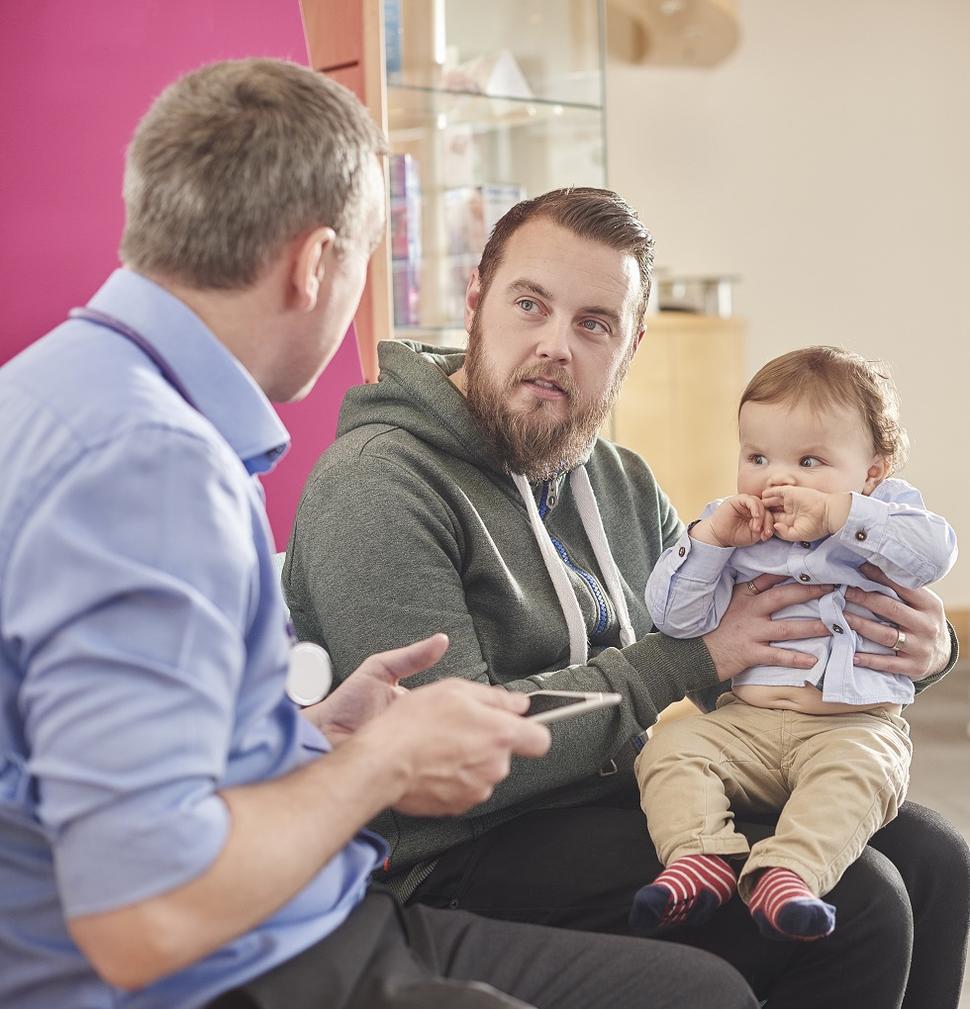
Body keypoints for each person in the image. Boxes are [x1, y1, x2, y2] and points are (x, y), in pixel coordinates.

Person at [0, 60, 762, 1009]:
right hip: (236, 956)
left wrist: (309, 736)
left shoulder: (56, 394)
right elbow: (142, 914)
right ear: (317, 264)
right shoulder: (152, 467)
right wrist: (377, 764)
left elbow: (114, 768)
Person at [283, 187, 970, 1009]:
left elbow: (748, 646)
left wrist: (920, 652)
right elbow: (456, 763)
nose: (555, 345)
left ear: (631, 343)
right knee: (861, 901)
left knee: (934, 860)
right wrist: (690, 658)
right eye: (530, 304)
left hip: (609, 798)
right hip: (456, 853)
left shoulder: (619, 480)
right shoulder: (380, 484)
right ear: (476, 299)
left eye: (594, 323)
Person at [632, 346, 957, 942]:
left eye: (810, 460)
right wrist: (708, 543)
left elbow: (933, 555)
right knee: (671, 746)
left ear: (872, 472)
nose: (778, 477)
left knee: (858, 779)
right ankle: (700, 857)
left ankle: (789, 874)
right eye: (757, 456)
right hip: (744, 723)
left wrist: (840, 514)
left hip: (852, 726)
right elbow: (676, 619)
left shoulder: (886, 516)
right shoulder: (730, 528)